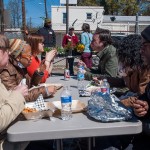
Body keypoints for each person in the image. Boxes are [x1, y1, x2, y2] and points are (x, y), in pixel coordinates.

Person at [0, 34, 28, 149]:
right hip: (9, 141)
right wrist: (17, 95)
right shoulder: (7, 70)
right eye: (7, 50)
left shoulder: (17, 66)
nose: (9, 53)